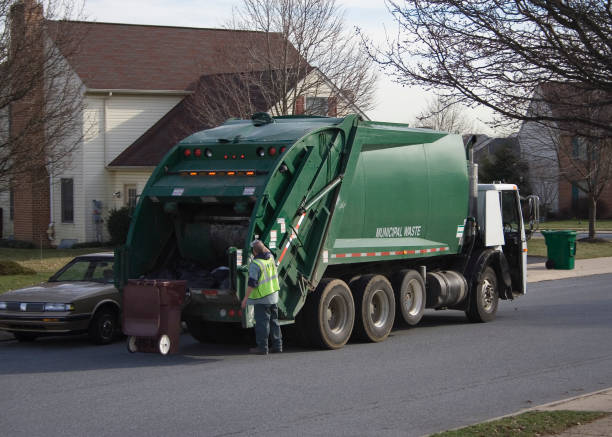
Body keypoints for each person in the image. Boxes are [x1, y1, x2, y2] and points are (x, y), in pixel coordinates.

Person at [241, 240, 282, 355]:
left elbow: (252, 283)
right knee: (274, 321)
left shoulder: (256, 264)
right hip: (273, 295)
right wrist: (261, 245)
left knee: (262, 323)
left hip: (262, 298)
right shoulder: (271, 258)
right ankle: (278, 346)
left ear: (254, 252)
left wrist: (245, 299)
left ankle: (262, 348)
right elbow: (266, 251)